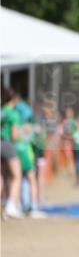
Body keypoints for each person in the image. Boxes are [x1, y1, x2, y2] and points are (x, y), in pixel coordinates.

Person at [1, 88, 25, 218]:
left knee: (2, 177)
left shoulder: (1, 111)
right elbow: (14, 135)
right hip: (6, 143)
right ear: (14, 99)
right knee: (16, 176)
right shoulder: (13, 113)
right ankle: (11, 205)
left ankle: (3, 206)